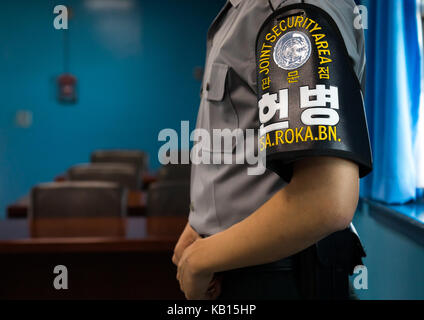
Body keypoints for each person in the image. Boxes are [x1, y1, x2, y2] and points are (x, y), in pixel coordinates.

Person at [172, 0, 372, 300]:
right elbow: (243, 138)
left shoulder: (289, 7)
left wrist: (201, 259)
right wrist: (201, 221)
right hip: (242, 266)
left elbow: (326, 199)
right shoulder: (243, 10)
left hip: (279, 277)